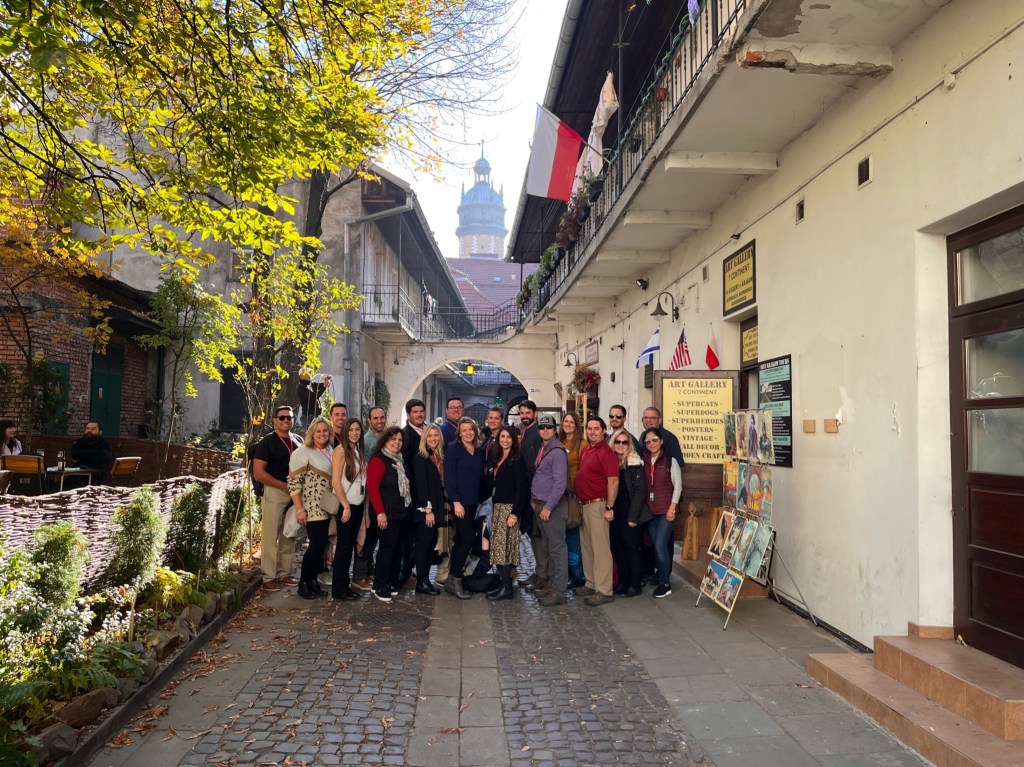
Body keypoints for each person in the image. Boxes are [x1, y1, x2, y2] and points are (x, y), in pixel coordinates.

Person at [251, 406, 303, 591]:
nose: (286, 420)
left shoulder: (298, 440)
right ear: (274, 420)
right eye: (281, 418)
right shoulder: (267, 443)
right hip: (275, 491)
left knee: (289, 533)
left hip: (295, 494)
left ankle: (284, 573)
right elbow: (258, 473)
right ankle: (269, 577)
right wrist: (283, 486)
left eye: (289, 417)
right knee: (271, 535)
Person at [287, 418, 339, 599]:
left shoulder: (329, 450)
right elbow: (293, 483)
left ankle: (312, 581)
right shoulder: (302, 452)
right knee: (315, 545)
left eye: (325, 431)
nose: (322, 434)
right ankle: (303, 583)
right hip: (311, 506)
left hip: (326, 506)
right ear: (312, 433)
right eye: (318, 431)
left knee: (321, 545)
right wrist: (299, 509)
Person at [574, 416, 620, 606]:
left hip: (598, 504)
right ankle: (591, 583)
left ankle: (604, 590)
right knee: (587, 547)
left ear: (603, 430)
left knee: (601, 549)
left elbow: (613, 481)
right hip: (584, 504)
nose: (592, 432)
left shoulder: (606, 453)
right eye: (589, 429)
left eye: (596, 429)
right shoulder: (587, 450)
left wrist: (609, 507)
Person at [366, 427, 411, 603]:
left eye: (400, 440)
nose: (397, 443)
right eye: (393, 439)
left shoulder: (398, 460)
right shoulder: (378, 460)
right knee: (386, 549)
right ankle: (380, 586)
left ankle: (386, 582)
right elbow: (372, 488)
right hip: (386, 513)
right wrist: (380, 513)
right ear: (385, 440)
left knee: (395, 549)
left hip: (398, 512)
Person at [530, 413, 569, 607]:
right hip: (540, 504)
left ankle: (559, 591)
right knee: (548, 547)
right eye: (542, 427)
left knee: (557, 549)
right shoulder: (544, 448)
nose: (545, 430)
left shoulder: (557, 451)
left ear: (555, 430)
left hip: (551, 507)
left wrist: (548, 507)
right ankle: (552, 585)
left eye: (549, 427)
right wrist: (533, 500)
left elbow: (560, 483)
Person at [486, 425, 528, 601]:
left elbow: (521, 489)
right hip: (497, 507)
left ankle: (507, 588)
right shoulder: (496, 458)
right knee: (498, 548)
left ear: (514, 440)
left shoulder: (517, 460)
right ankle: (503, 584)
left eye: (508, 437)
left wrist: (514, 514)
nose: (505, 440)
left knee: (505, 549)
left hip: (509, 509)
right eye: (502, 437)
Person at [443, 417, 484, 599]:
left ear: (475, 431)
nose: (468, 433)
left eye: (471, 429)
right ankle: (456, 578)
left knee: (461, 539)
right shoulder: (453, 449)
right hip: (460, 503)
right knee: (467, 538)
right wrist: (456, 502)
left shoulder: (478, 451)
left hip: (473, 502)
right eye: (464, 430)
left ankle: (451, 581)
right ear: (459, 432)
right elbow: (449, 478)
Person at [640, 427, 682, 598]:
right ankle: (660, 576)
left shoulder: (671, 461)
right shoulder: (643, 461)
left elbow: (678, 486)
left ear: (661, 441)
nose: (651, 443)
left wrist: (672, 508)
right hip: (650, 512)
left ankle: (665, 583)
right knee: (656, 546)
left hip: (666, 511)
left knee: (660, 546)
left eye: (654, 440)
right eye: (648, 441)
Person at [610, 432, 650, 598]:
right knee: (618, 548)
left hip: (630, 514)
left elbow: (640, 492)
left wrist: (633, 517)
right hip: (615, 514)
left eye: (624, 442)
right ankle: (624, 582)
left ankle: (635, 584)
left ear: (629, 445)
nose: (621, 445)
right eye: (617, 442)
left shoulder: (634, 463)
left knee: (631, 549)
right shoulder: (611, 462)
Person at [330, 417, 366, 601]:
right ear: (345, 432)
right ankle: (338, 589)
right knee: (343, 548)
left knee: (350, 546)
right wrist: (345, 506)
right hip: (346, 505)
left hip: (357, 505)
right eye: (351, 429)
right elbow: (336, 481)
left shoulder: (357, 451)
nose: (354, 433)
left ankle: (345, 584)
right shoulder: (340, 451)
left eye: (357, 429)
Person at [411, 424, 447, 595]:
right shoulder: (421, 458)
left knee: (430, 544)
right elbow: (421, 487)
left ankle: (425, 580)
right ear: (424, 438)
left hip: (436, 508)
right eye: (430, 435)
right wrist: (428, 510)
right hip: (426, 511)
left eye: (436, 435)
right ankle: (421, 581)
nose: (433, 438)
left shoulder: (437, 456)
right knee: (423, 546)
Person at [517, 400, 546, 590]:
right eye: (522, 413)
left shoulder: (536, 434)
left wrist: (534, 495)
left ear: (535, 414)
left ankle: (544, 574)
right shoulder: (527, 432)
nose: (525, 416)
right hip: (529, 490)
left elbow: (537, 466)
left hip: (535, 492)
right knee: (533, 533)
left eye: (528, 413)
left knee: (539, 534)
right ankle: (540, 571)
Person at [558, 412, 586, 589]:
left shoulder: (581, 444)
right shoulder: (559, 442)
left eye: (571, 422)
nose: (568, 424)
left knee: (573, 535)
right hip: (560, 496)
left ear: (576, 425)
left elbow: (584, 469)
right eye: (565, 421)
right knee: (564, 536)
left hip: (574, 496)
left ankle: (577, 575)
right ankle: (568, 572)